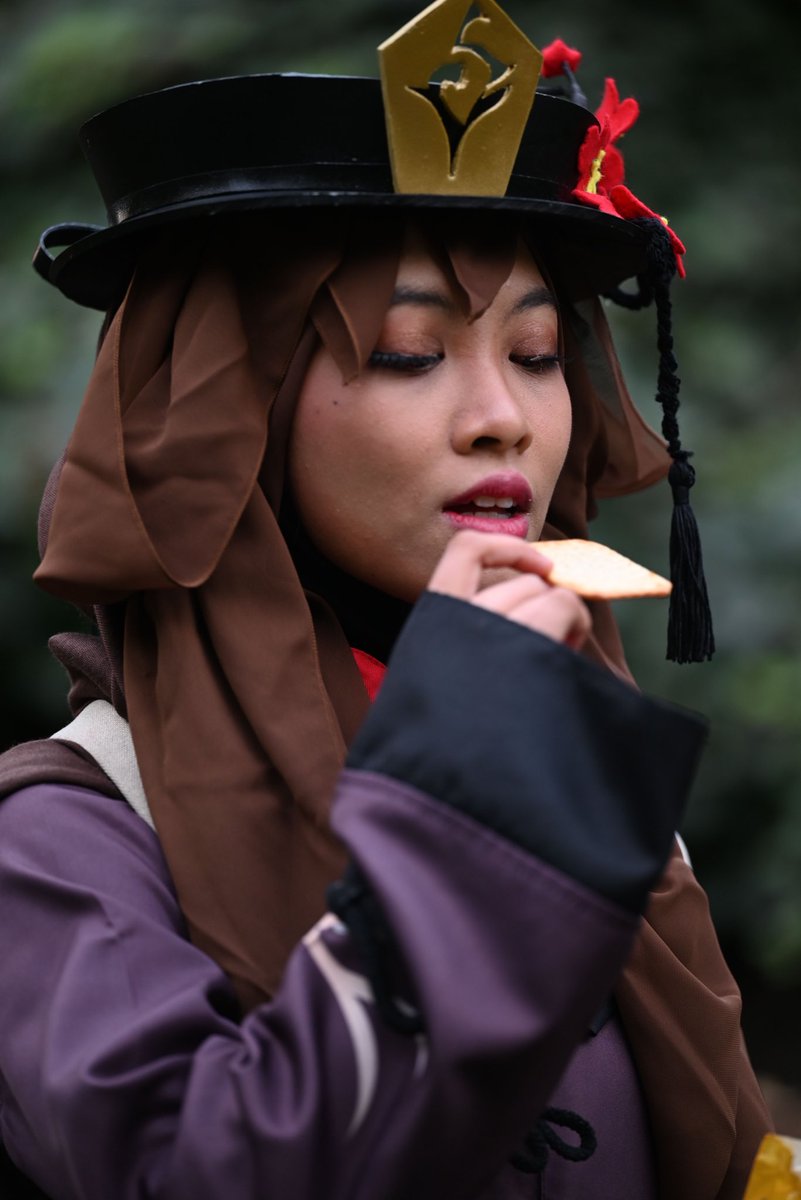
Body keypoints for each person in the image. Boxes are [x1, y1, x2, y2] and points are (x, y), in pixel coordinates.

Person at [0, 2, 771, 1197]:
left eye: (536, 355)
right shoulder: (59, 840)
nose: (504, 417)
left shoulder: (576, 769)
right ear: (240, 415)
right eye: (410, 353)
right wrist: (454, 811)